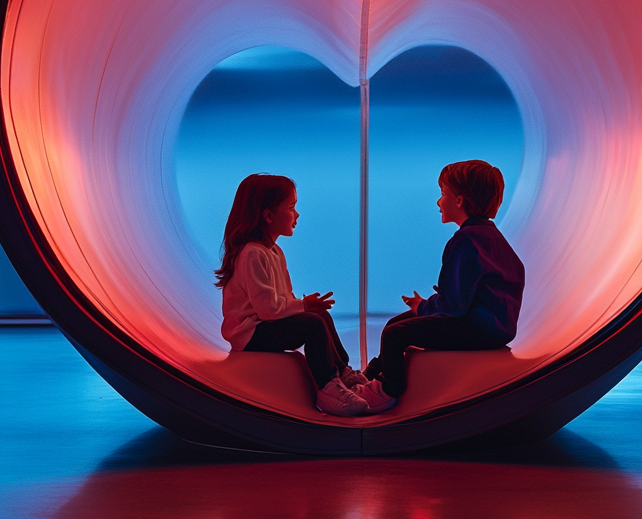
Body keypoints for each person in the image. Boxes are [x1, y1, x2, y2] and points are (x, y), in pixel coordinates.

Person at [358, 160, 526, 413]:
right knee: (396, 323)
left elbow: (453, 306)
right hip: (498, 327)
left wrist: (422, 306)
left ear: (459, 201)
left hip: (476, 328)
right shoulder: (493, 239)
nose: (438, 202)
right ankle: (368, 375)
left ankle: (387, 390)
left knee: (395, 333)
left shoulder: (465, 240)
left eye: (442, 194)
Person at [217, 173, 369, 416]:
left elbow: (283, 299)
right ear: (268, 215)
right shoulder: (252, 254)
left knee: (320, 317)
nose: (296, 214)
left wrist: (306, 306)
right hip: (250, 334)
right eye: (291, 207)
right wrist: (303, 307)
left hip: (265, 325)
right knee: (312, 324)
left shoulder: (274, 251)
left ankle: (344, 372)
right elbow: (267, 310)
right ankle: (328, 387)